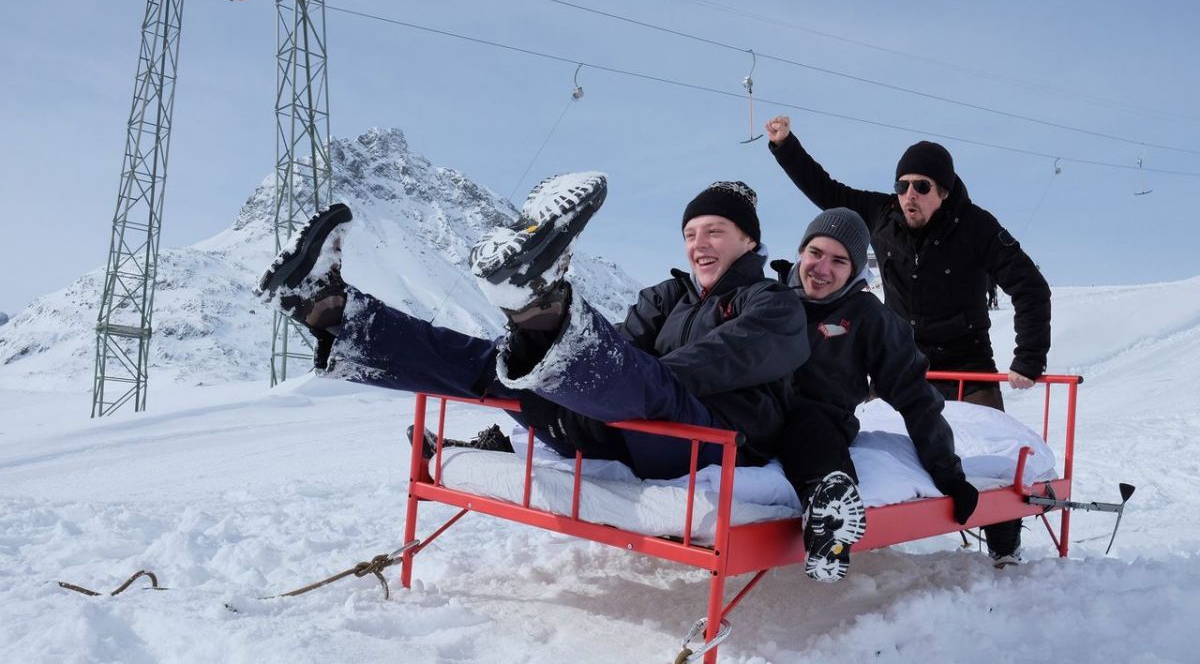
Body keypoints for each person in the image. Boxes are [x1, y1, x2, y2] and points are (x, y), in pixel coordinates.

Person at [256, 174, 863, 581]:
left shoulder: (773, 304)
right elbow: (621, 357)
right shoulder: (666, 298)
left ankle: (539, 304)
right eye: (690, 234)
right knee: (497, 367)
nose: (699, 244)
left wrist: (617, 380)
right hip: (623, 428)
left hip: (708, 445)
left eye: (715, 233)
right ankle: (334, 312)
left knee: (641, 382)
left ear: (748, 240)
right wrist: (574, 387)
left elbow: (720, 362)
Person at [765, 116, 1051, 568]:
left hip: (966, 362)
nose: (909, 195)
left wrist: (1028, 357)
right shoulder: (883, 215)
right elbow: (827, 192)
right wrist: (784, 146)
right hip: (896, 359)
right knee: (839, 420)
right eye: (902, 185)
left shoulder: (978, 227)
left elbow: (1030, 286)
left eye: (921, 186)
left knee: (986, 453)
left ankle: (1004, 549)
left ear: (945, 191)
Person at [770, 208, 980, 581]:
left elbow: (915, 394)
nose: (822, 268)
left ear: (855, 270)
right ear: (802, 251)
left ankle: (830, 514)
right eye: (816, 253)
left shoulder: (869, 316)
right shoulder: (768, 298)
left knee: (812, 430)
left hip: (818, 421)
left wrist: (949, 475)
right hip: (756, 413)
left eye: (839, 261)